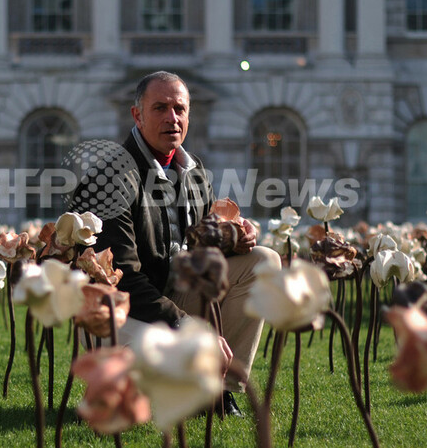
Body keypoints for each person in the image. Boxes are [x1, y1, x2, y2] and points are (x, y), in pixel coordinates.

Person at [69, 71, 281, 416]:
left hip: (175, 296)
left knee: (264, 260)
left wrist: (234, 239)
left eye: (180, 109)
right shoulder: (109, 179)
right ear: (137, 115)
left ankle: (218, 392)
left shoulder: (193, 171)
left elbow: (202, 245)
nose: (173, 118)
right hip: (124, 312)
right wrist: (186, 324)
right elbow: (121, 277)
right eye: (160, 108)